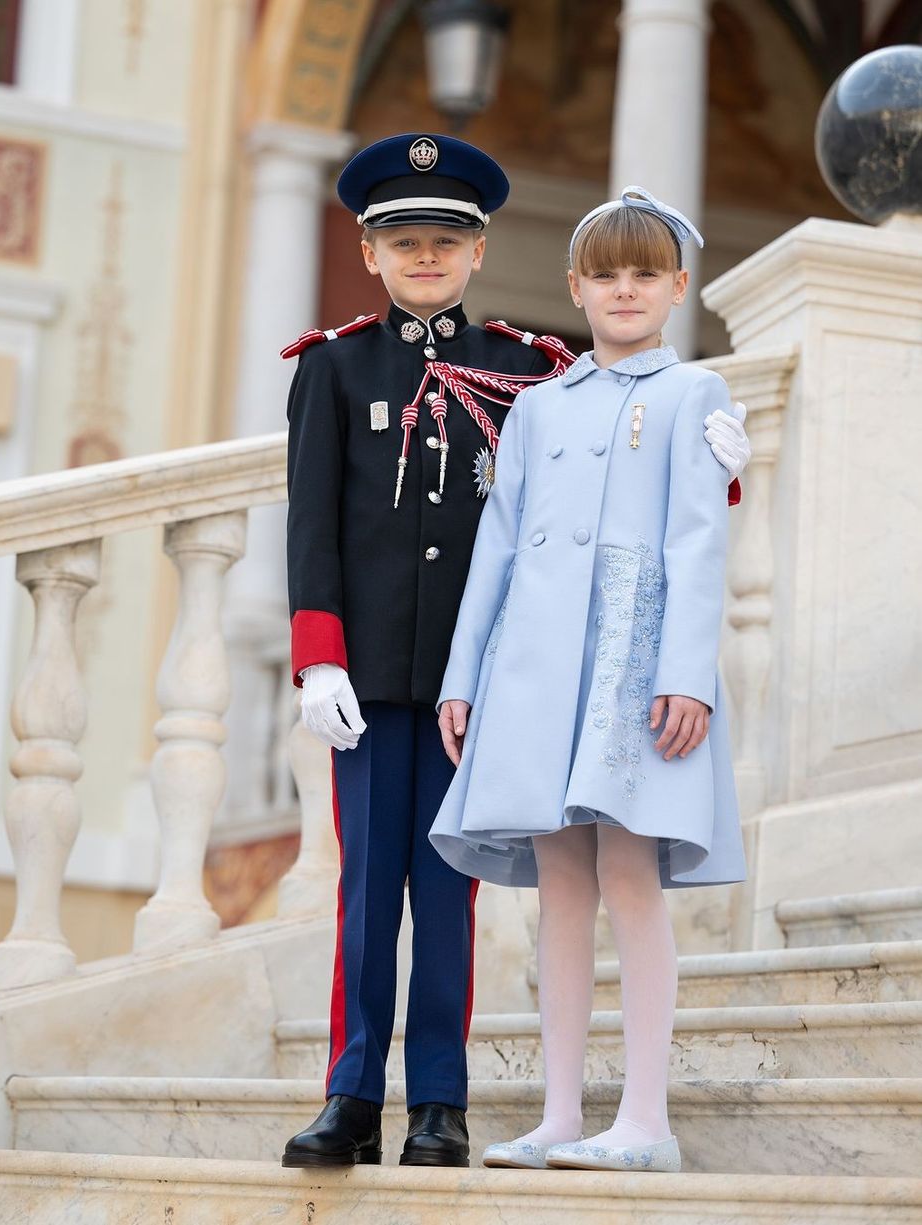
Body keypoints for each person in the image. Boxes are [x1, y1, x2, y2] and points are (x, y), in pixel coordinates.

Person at [281, 137, 752, 1171]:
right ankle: (352, 1092)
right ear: (369, 251)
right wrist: (318, 657)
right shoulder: (335, 365)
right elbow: (313, 522)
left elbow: (655, 504)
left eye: (443, 240)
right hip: (387, 678)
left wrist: (724, 477)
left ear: (480, 249)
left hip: (513, 681)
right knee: (367, 891)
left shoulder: (523, 367)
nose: (424, 257)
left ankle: (439, 1104)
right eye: (402, 240)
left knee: (451, 892)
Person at [430, 187, 747, 1175]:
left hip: (630, 665)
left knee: (627, 876)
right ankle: (559, 1113)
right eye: (603, 273)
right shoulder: (532, 406)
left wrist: (685, 675)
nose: (622, 289)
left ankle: (644, 1118)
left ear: (676, 287)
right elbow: (494, 546)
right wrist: (464, 675)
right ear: (574, 285)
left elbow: (698, 542)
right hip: (534, 666)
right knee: (556, 887)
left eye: (642, 273)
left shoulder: (693, 395)